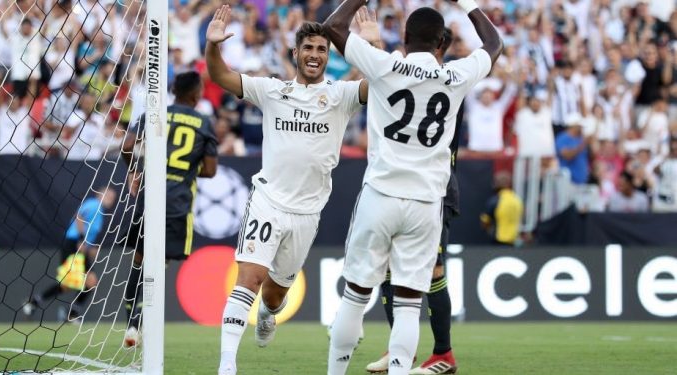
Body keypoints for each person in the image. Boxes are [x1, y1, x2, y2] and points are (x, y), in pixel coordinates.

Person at [323, 0, 502, 373]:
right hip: (426, 204)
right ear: (441, 41)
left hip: (381, 194)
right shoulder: (456, 76)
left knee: (355, 296)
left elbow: (334, 26)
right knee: (408, 303)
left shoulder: (384, 63)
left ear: (403, 39)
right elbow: (494, 44)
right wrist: (468, 4)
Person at [205, 5, 374, 375]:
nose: (315, 55)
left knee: (274, 294)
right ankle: (227, 366)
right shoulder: (272, 91)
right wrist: (212, 45)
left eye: (322, 50)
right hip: (267, 201)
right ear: (295, 53)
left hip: (306, 213)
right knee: (247, 279)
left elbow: (381, 82)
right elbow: (219, 75)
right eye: (309, 48)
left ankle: (268, 313)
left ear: (328, 57)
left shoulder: (341, 95)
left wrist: (373, 46)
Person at [365, 27, 460, 375]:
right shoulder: (427, 77)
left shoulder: (450, 81)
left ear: (438, 47)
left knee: (432, 271)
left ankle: (443, 354)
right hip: (404, 187)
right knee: (391, 269)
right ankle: (398, 351)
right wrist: (375, 45)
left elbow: (397, 78)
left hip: (434, 188)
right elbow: (394, 80)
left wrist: (375, 48)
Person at [119, 70, 218, 347]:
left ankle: (132, 326)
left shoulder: (156, 112)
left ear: (174, 90)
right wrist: (186, 166)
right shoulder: (203, 122)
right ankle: (146, 322)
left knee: (139, 260)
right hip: (177, 202)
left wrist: (137, 171)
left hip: (149, 197)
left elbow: (127, 146)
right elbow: (210, 170)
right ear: (197, 94)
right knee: (159, 263)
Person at [23, 187, 117, 322]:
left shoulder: (101, 212)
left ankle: (35, 302)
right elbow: (79, 216)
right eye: (108, 195)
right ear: (99, 194)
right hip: (73, 244)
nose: (110, 199)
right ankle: (72, 314)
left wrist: (90, 248)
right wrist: (80, 238)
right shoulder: (93, 204)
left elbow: (89, 231)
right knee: (88, 281)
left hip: (78, 246)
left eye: (113, 198)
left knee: (68, 284)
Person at [480, 171, 524, 246]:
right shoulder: (518, 200)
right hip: (515, 240)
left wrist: (489, 230)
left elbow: (485, 221)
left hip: (498, 241)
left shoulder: (495, 200)